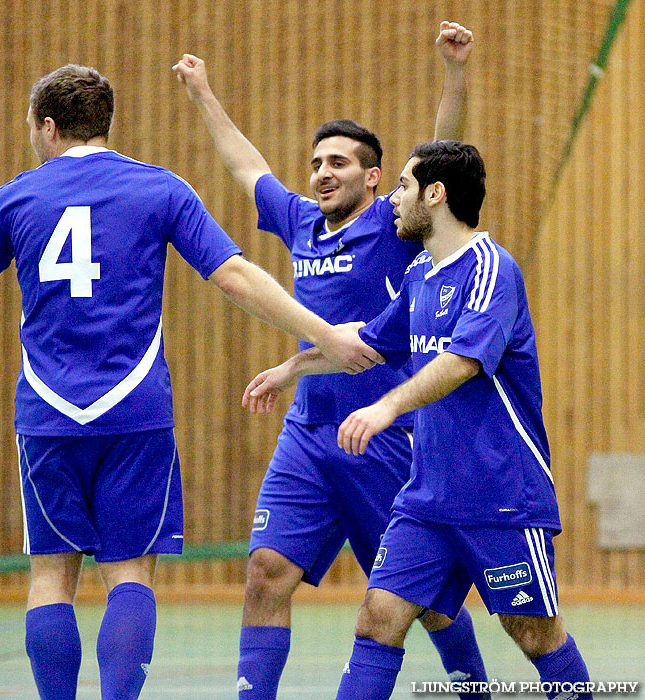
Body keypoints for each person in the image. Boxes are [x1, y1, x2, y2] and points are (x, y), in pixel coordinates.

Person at [0, 64, 382, 700]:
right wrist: (324, 334)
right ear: (105, 124)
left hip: (47, 414)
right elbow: (235, 276)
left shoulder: (14, 197)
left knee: (51, 577)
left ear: (48, 126)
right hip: (134, 409)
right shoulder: (159, 189)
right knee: (131, 575)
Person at [175, 22, 490, 700]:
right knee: (264, 572)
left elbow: (442, 153)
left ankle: (474, 689)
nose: (322, 172)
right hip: (308, 436)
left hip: (382, 440)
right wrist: (203, 93)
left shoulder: (391, 225)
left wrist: (454, 73)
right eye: (316, 162)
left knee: (429, 603)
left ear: (374, 178)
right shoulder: (296, 221)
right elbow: (243, 164)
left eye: (338, 162)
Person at [246, 141, 593, 700]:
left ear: (435, 194)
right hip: (426, 499)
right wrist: (294, 366)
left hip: (500, 496)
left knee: (532, 632)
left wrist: (386, 407)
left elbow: (461, 362)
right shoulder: (420, 277)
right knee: (378, 617)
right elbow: (365, 342)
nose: (396, 200)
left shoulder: (491, 268)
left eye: (404, 187)